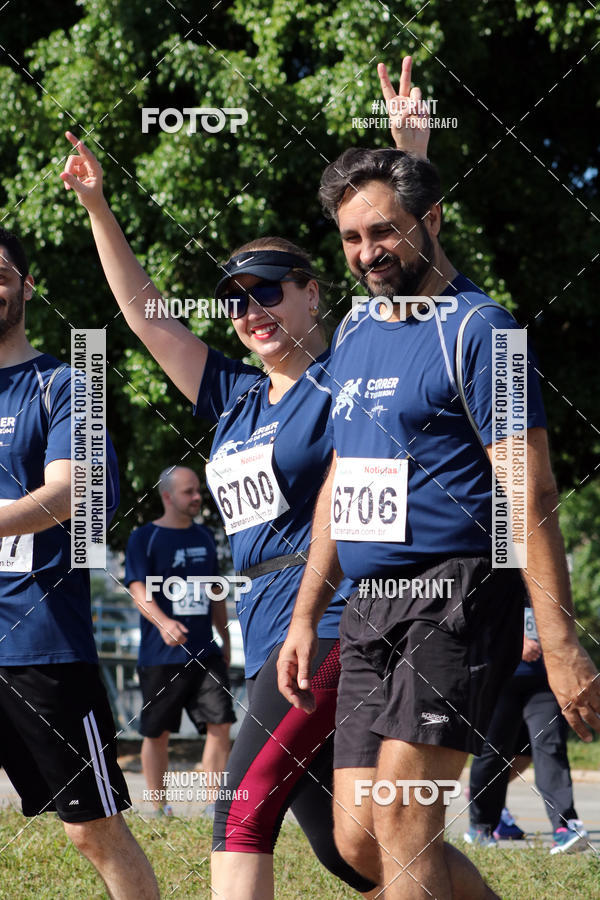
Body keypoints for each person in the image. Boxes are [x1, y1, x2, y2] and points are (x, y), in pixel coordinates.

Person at [60, 56, 432, 899]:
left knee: (238, 807)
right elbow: (145, 314)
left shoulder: (352, 369)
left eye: (268, 290)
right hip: (262, 631)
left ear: (312, 295)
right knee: (358, 851)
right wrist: (97, 206)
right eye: (235, 298)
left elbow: (408, 287)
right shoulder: (230, 394)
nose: (249, 309)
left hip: (335, 619)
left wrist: (407, 145)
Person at [277, 140, 600, 897]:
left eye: (384, 232)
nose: (367, 252)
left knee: (402, 821)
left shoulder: (488, 331)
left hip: (457, 597)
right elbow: (340, 483)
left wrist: (558, 642)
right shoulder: (355, 333)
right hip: (367, 611)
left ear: (433, 219)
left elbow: (533, 491)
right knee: (357, 840)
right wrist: (304, 615)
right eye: (352, 238)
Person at [0, 228, 159, 899]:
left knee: (90, 828)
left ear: (27, 286)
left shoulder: (67, 383)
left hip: (41, 645)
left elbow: (73, 493)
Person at [125, 465, 235, 815]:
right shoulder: (144, 537)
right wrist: (163, 623)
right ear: (167, 496)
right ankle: (158, 807)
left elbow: (215, 589)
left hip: (205, 652)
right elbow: (137, 589)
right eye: (189, 491)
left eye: (198, 490)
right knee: (157, 732)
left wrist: (225, 635)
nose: (197, 497)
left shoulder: (205, 537)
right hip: (162, 656)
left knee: (220, 723)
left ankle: (213, 806)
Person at [466, 602, 588, 853]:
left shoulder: (547, 577)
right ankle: (481, 828)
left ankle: (565, 827)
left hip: (544, 682)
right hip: (499, 679)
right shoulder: (500, 567)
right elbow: (475, 613)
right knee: (493, 754)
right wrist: (514, 641)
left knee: (549, 748)